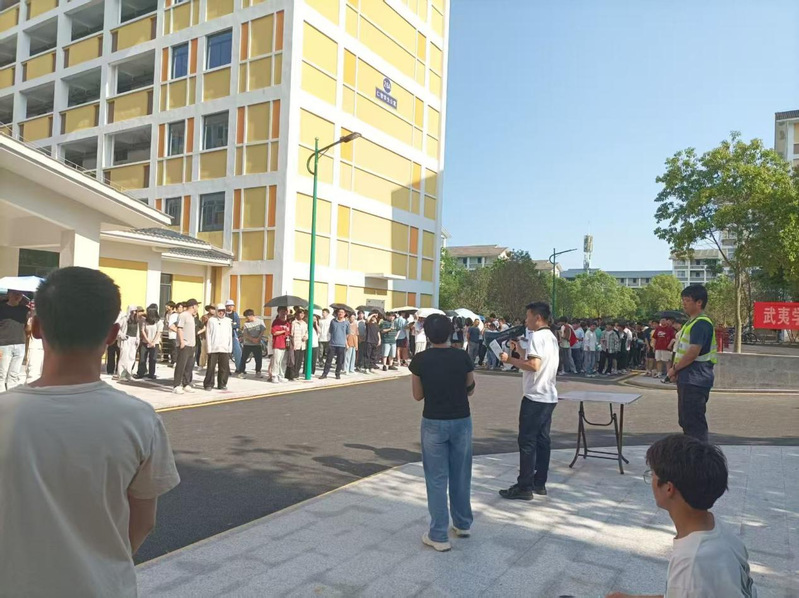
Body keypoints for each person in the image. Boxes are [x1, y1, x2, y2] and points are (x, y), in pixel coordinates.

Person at [0, 266, 180, 597]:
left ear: (35, 327)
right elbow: (144, 522)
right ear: (112, 334)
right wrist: (100, 563)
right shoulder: (139, 419)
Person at [606, 435, 756, 598]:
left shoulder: (690, 565)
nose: (651, 480)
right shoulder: (719, 532)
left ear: (668, 488)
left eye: (652, 474)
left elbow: (687, 588)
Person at [410, 314, 476, 552]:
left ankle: (438, 534)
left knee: (436, 478)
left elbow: (417, 395)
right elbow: (470, 388)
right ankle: (463, 523)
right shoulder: (462, 356)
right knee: (461, 473)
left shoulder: (420, 360)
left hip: (433, 420)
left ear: (427, 334)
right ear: (450, 332)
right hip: (461, 419)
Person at [499, 302, 559, 500]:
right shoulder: (551, 337)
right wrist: (519, 351)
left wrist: (509, 360)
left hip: (535, 396)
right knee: (542, 440)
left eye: (528, 316)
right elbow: (536, 362)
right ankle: (539, 483)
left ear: (537, 318)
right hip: (548, 395)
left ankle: (524, 486)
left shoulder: (536, 336)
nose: (526, 321)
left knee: (527, 441)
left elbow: (533, 366)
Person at [668, 285, 716, 442]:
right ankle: (692, 452)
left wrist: (674, 369)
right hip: (688, 377)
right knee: (686, 420)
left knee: (694, 423)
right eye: (683, 300)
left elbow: (693, 352)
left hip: (696, 378)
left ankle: (699, 454)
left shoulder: (701, 324)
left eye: (687, 300)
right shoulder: (690, 323)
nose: (684, 303)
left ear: (699, 302)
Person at [0, 289, 30, 390]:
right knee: (1, 375)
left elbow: (28, 326)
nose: (17, 296)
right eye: (14, 293)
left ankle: (11, 396)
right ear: (9, 294)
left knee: (14, 375)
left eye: (20, 294)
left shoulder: (25, 310)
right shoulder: (1, 308)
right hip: (3, 345)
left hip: (20, 344)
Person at [203, 303, 233, 391]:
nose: (221, 313)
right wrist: (209, 348)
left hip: (224, 348)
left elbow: (230, 335)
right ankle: (208, 384)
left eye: (223, 311)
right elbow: (208, 334)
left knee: (224, 368)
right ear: (216, 311)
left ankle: (222, 384)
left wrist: (230, 348)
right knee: (211, 367)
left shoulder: (228, 321)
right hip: (213, 347)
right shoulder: (211, 320)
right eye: (219, 311)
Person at [173, 299, 198, 394]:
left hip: (192, 345)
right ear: (193, 306)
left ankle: (186, 384)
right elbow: (179, 328)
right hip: (185, 344)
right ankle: (176, 385)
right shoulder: (183, 315)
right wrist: (182, 341)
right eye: (197, 306)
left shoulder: (192, 316)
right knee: (181, 365)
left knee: (189, 366)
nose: (197, 308)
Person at [135, 304, 162, 380]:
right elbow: (143, 330)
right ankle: (140, 373)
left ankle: (151, 374)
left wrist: (153, 342)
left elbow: (159, 332)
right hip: (145, 342)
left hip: (155, 343)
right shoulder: (145, 321)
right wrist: (147, 340)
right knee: (142, 358)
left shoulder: (159, 322)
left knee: (152, 359)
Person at [237, 309, 265, 377]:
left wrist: (258, 338)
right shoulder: (246, 324)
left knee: (258, 358)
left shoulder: (260, 322)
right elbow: (245, 334)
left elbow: (262, 331)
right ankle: (241, 371)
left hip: (257, 343)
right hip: (248, 344)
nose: (247, 319)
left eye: (247, 317)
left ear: (251, 315)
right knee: (244, 358)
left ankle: (258, 371)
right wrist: (252, 339)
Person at [321, 308, 348, 379]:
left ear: (344, 314)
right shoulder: (333, 321)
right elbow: (330, 331)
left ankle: (337, 374)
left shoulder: (346, 322)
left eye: (342, 312)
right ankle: (325, 374)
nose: (340, 313)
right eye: (339, 312)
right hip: (332, 344)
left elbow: (347, 333)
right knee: (328, 360)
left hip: (341, 344)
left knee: (340, 361)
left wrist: (345, 342)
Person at [116, 305, 140, 382]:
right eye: (133, 311)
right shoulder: (124, 319)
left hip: (134, 340)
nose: (134, 312)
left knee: (131, 358)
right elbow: (117, 328)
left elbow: (137, 331)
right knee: (123, 357)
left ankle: (128, 374)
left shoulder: (136, 320)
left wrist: (138, 339)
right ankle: (121, 375)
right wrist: (122, 335)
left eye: (135, 311)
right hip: (126, 339)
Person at [268, 307, 290, 382]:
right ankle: (274, 376)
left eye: (285, 311)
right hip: (277, 344)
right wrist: (283, 331)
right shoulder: (276, 322)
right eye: (282, 311)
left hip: (285, 344)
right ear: (278, 312)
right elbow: (274, 332)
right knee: (276, 361)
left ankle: (281, 375)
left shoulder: (287, 323)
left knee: (283, 361)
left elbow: (289, 332)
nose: (284, 313)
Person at [24, 303, 44, 384]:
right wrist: (31, 320)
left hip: (44, 346)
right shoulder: (32, 317)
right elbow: (28, 331)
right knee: (33, 373)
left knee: (39, 373)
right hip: (36, 346)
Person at [224, 299, 242, 370]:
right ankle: (226, 369)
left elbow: (237, 325)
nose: (231, 307)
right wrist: (232, 324)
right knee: (225, 352)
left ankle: (239, 368)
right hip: (224, 334)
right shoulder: (223, 314)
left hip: (233, 334)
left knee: (237, 351)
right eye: (229, 305)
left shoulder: (235, 314)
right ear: (226, 306)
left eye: (232, 305)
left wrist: (231, 325)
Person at [290, 309, 309, 378]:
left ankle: (297, 373)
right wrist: (293, 344)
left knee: (300, 360)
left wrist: (306, 337)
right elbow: (291, 334)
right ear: (297, 314)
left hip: (302, 345)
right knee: (294, 360)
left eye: (303, 314)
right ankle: (292, 374)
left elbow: (307, 332)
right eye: (300, 313)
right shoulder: (293, 323)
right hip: (295, 344)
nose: (301, 315)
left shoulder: (304, 323)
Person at [198, 305, 215, 369]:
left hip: (213, 337)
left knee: (212, 352)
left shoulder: (216, 318)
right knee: (203, 351)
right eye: (211, 309)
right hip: (204, 336)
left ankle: (210, 365)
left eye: (214, 309)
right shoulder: (204, 317)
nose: (213, 310)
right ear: (208, 309)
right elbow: (200, 325)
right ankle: (201, 364)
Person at [165, 301, 180, 366]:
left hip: (174, 334)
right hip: (169, 333)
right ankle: (172, 360)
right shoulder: (166, 313)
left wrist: (177, 331)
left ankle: (174, 361)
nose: (166, 307)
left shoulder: (175, 315)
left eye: (167, 305)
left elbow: (173, 325)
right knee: (171, 348)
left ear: (171, 307)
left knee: (174, 348)